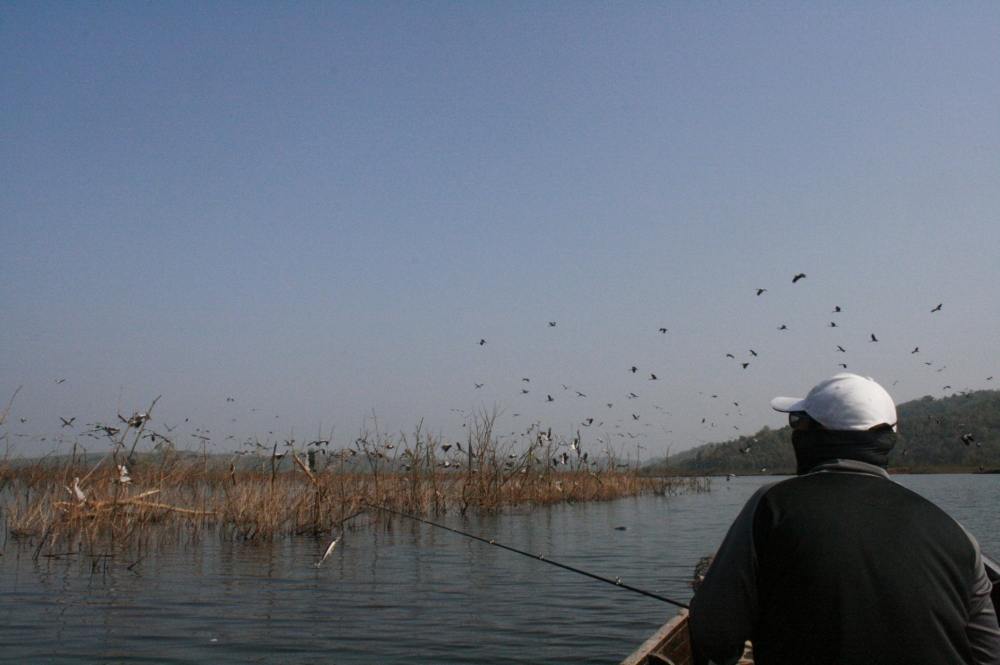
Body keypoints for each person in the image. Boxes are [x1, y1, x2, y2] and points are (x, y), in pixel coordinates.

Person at [689, 372, 1000, 665]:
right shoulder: (956, 534)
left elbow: (714, 636)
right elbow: (989, 655)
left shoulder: (771, 507)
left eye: (796, 423)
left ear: (812, 436)